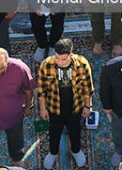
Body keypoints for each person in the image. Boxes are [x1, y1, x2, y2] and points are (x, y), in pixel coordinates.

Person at [37, 39, 93, 169]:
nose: (59, 62)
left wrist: (87, 106)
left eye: (63, 59)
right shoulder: (46, 64)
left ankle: (76, 150)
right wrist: (43, 108)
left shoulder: (82, 64)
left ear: (71, 54)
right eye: (57, 58)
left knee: (75, 130)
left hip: (75, 106)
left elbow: (88, 88)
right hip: (54, 107)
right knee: (54, 130)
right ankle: (53, 152)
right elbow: (41, 90)